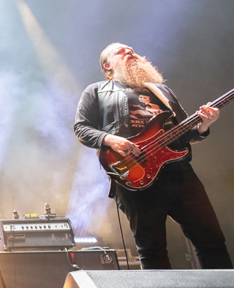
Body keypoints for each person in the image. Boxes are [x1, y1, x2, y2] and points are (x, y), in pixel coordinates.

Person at [74, 43, 230, 269]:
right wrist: (111, 140)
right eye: (121, 51)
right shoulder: (96, 91)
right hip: (135, 173)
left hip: (180, 173)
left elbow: (185, 135)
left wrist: (204, 126)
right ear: (107, 66)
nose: (130, 52)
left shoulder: (162, 91)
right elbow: (81, 128)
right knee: (152, 250)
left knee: (213, 241)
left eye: (132, 50)